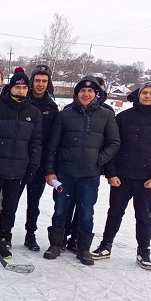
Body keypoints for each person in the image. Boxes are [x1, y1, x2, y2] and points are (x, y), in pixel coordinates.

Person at [92, 81, 151, 269]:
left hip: (147, 181)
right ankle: (105, 245)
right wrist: (111, 173)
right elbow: (113, 146)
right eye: (144, 93)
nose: (147, 96)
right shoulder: (124, 117)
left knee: (144, 216)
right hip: (121, 178)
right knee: (114, 213)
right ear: (138, 95)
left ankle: (144, 251)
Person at [43, 76, 120, 266]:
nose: (86, 94)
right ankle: (56, 244)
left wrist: (98, 160)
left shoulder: (106, 115)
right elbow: (53, 145)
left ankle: (83, 248)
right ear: (77, 94)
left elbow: (114, 142)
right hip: (65, 174)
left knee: (87, 212)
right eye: (82, 91)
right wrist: (50, 171)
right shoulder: (65, 115)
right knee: (60, 209)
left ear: (96, 94)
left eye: (90, 91)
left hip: (89, 176)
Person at [0, 69, 42, 259]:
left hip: (18, 169)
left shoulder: (34, 113)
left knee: (9, 208)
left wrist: (32, 166)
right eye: (17, 87)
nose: (20, 91)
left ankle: (3, 239)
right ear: (10, 88)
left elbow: (36, 143)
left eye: (23, 88)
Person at [22, 64, 59, 252]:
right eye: (37, 80)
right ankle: (5, 233)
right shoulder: (22, 101)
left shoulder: (52, 108)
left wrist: (49, 166)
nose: (40, 84)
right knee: (10, 201)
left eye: (44, 81)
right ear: (32, 81)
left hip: (39, 162)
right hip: (19, 160)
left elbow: (53, 139)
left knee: (33, 203)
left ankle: (30, 234)